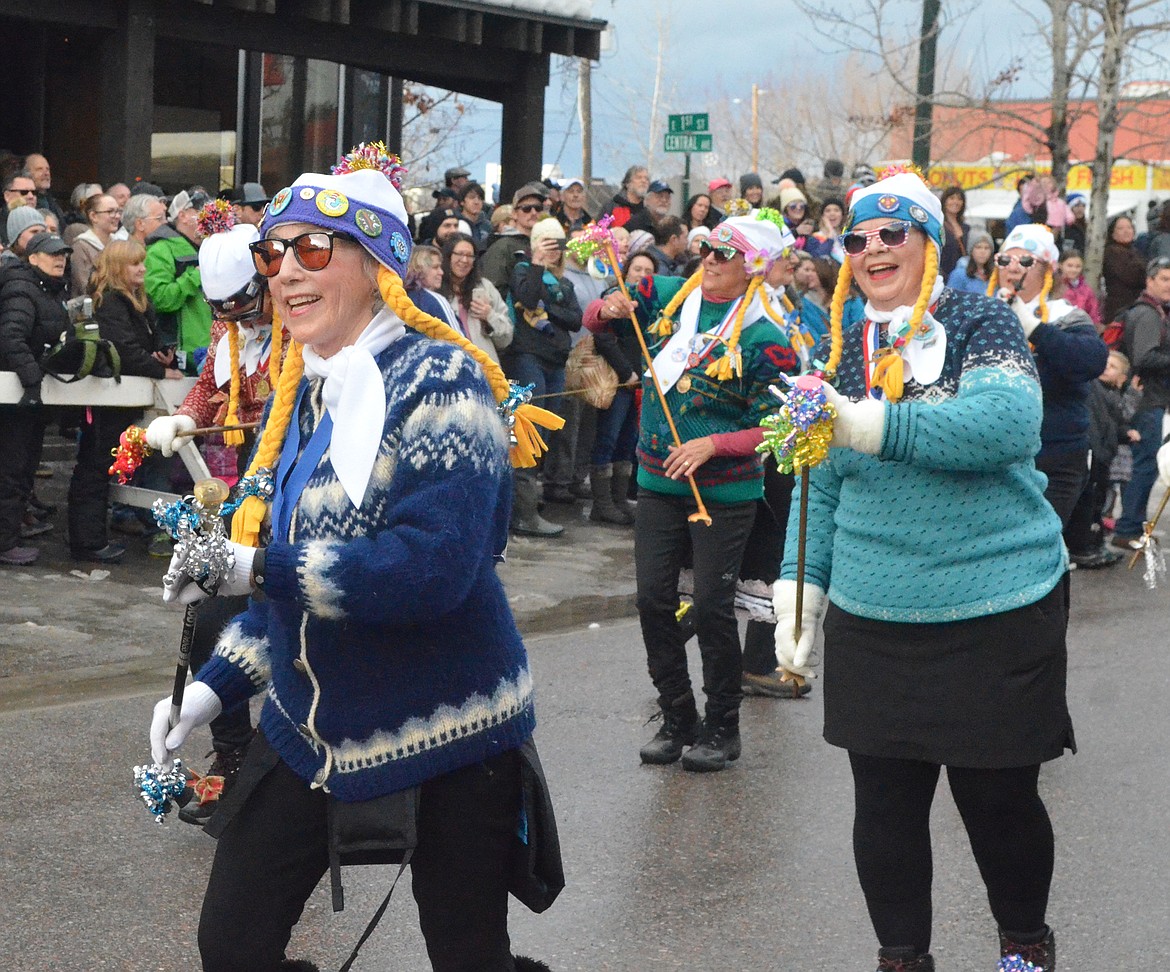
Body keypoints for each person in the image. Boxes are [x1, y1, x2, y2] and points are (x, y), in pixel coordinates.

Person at [148, 151, 559, 972]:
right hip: (316, 724)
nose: (285, 275)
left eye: (312, 250)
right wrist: (210, 689)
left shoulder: (443, 380)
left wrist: (251, 568)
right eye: (273, 254)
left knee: (469, 956)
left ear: (377, 267)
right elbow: (285, 600)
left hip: (453, 725)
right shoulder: (308, 387)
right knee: (232, 944)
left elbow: (432, 569)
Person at [775, 171, 1070, 972]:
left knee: (999, 802)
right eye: (857, 240)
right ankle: (902, 960)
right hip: (877, 610)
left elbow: (1006, 424)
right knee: (885, 809)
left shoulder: (977, 316)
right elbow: (818, 475)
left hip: (996, 600)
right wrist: (800, 587)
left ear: (928, 243)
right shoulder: (838, 345)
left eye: (892, 234)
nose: (873, 250)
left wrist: (870, 423)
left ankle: (1023, 946)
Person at [596, 212, 795, 772]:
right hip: (658, 481)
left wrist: (713, 446)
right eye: (706, 247)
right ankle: (677, 714)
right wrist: (607, 307)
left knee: (711, 609)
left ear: (752, 268)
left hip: (725, 493)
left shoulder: (766, 341)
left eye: (723, 254)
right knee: (652, 599)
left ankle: (723, 727)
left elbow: (775, 427)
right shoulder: (666, 295)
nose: (708, 259)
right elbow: (599, 313)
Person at [146, 211, 288, 824]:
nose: (237, 319)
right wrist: (183, 417)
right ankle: (232, 756)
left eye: (244, 305)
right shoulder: (231, 337)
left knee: (278, 626)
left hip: (285, 493)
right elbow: (207, 387)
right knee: (209, 627)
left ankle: (292, 756)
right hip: (228, 493)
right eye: (224, 310)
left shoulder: (297, 329)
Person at [66, 240, 181, 564]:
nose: (143, 268)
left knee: (100, 467)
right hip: (107, 399)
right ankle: (87, 543)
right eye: (135, 264)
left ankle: (91, 539)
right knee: (95, 467)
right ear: (119, 268)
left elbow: (147, 343)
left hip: (127, 398)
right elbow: (125, 351)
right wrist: (158, 367)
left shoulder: (139, 302)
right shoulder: (110, 303)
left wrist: (164, 356)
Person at [991, 224, 1108, 529]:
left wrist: (1033, 328)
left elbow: (1091, 361)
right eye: (1005, 260)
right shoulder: (982, 313)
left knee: (1041, 547)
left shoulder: (1066, 315)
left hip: (1056, 455)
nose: (1013, 268)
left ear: (1048, 270)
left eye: (1026, 261)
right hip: (996, 456)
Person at [502, 216, 582, 532]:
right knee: (527, 430)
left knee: (545, 434)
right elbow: (528, 298)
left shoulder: (565, 281)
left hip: (556, 360)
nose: (553, 250)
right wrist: (536, 264)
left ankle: (527, 503)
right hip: (528, 357)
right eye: (547, 243)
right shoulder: (523, 271)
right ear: (536, 244)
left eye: (557, 245)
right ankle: (523, 513)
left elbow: (575, 319)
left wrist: (552, 315)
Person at [0, 231, 72, 566]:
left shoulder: (52, 290)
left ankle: (8, 539)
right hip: (14, 400)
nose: (61, 259)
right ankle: (4, 543)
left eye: (63, 254)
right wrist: (32, 381)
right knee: (13, 469)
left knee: (22, 468)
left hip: (28, 399)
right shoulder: (22, 288)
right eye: (53, 253)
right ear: (32, 258)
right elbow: (11, 337)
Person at [1065, 350, 1133, 568]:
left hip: (1104, 452)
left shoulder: (1113, 395)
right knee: (1089, 502)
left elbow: (1115, 422)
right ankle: (1084, 546)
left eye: (1112, 367)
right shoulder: (1093, 389)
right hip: (1095, 453)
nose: (1105, 368)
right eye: (1105, 363)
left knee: (1097, 502)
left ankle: (1093, 543)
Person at [145, 187, 212, 371]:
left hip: (216, 351)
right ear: (182, 215)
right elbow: (159, 299)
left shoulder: (212, 248)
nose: (208, 217)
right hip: (183, 357)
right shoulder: (160, 250)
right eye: (201, 211)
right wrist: (196, 275)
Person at [440, 233, 513, 366]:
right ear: (448, 257)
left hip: (485, 370)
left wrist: (489, 316)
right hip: (449, 367)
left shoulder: (485, 287)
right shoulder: (436, 289)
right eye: (459, 254)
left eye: (469, 256)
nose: (464, 260)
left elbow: (506, 339)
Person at [481, 181, 548, 299]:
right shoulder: (502, 246)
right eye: (526, 208)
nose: (533, 213)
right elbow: (493, 291)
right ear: (514, 214)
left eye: (538, 208)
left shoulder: (544, 244)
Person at [70, 192, 122, 295]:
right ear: (93, 216)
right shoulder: (81, 246)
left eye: (118, 211)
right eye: (110, 211)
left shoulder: (119, 245)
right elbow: (84, 286)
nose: (117, 216)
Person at [1102, 214, 1148, 326]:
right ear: (1112, 233)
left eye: (1129, 227)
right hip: (1120, 310)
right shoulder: (1111, 252)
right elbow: (1132, 277)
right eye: (1120, 228)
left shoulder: (1135, 251)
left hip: (1135, 307)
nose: (1126, 231)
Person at [1055, 249, 1101, 325]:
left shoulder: (1086, 290)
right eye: (1069, 266)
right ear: (1060, 265)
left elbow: (1093, 314)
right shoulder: (1055, 287)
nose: (1074, 270)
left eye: (1078, 266)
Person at [601, 165, 650, 230]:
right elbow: (600, 232)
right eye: (638, 177)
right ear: (627, 183)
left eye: (647, 179)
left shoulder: (649, 209)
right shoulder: (611, 206)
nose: (644, 181)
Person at [945, 229, 994, 294]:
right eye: (978, 247)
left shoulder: (994, 275)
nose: (983, 251)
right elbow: (950, 299)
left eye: (987, 248)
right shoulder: (959, 275)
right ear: (971, 251)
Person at [938, 186, 968, 279]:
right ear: (944, 201)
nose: (956, 202)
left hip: (962, 276)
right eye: (951, 198)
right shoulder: (938, 226)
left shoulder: (966, 228)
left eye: (959, 199)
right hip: (942, 275)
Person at [457, 182, 493, 249]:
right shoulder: (456, 224)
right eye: (471, 198)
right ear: (462, 201)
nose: (476, 202)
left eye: (480, 198)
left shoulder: (488, 225)